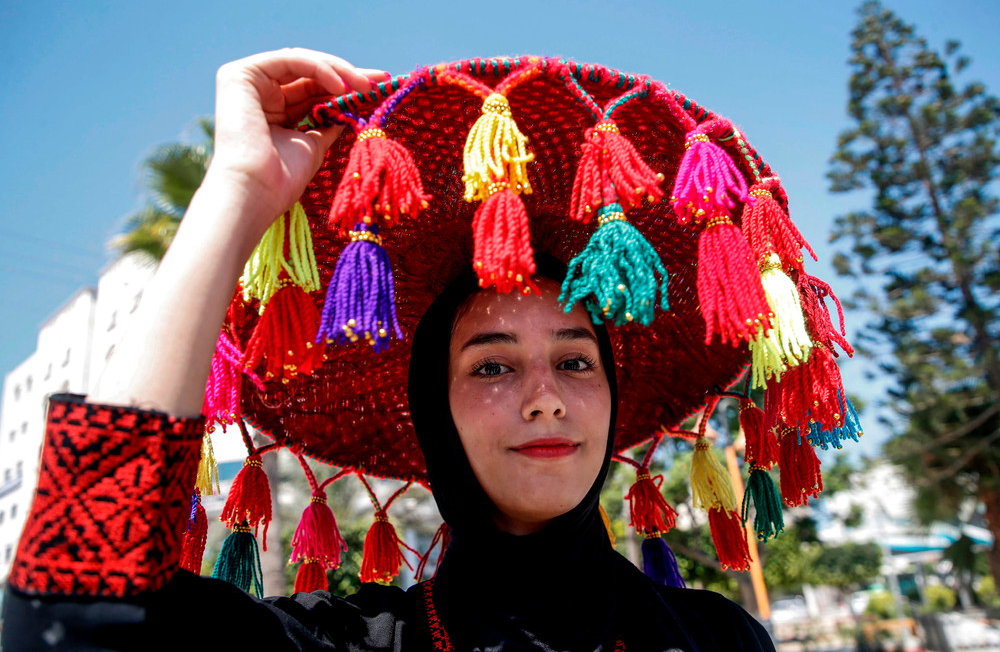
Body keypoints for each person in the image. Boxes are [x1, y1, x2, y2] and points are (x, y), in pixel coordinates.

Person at [1, 49, 788, 650]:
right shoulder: (345, 642)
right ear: (432, 410)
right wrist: (237, 188)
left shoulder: (716, 637)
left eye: (577, 359)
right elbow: (68, 610)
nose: (545, 395)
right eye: (492, 364)